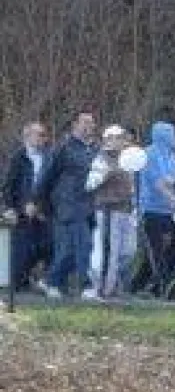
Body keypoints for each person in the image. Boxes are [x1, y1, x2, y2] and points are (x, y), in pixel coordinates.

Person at [37, 111, 99, 298]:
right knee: (84, 245)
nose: (90, 126)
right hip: (68, 204)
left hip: (88, 206)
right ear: (75, 125)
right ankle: (86, 287)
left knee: (69, 251)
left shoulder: (94, 150)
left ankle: (49, 281)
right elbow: (47, 176)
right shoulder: (63, 148)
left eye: (92, 122)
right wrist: (38, 201)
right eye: (85, 122)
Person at [85, 125, 138, 300]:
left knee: (129, 251)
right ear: (107, 140)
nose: (119, 141)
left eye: (121, 137)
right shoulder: (101, 159)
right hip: (108, 211)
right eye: (114, 138)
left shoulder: (129, 159)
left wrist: (135, 211)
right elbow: (89, 184)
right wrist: (106, 174)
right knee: (110, 252)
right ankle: (102, 289)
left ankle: (111, 282)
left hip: (126, 212)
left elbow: (132, 188)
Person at [135, 121, 175, 298]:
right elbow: (157, 183)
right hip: (151, 209)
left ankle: (137, 285)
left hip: (169, 211)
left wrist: (171, 181)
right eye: (172, 134)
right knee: (155, 249)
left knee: (168, 249)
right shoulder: (149, 154)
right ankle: (161, 286)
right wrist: (173, 199)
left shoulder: (173, 156)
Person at [4, 121, 52, 294]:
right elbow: (9, 186)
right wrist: (12, 208)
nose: (43, 139)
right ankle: (18, 284)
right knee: (22, 250)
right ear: (27, 136)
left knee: (47, 245)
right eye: (39, 135)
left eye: (44, 135)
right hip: (21, 211)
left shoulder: (48, 157)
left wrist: (41, 207)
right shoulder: (18, 157)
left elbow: (49, 185)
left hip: (43, 211)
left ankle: (42, 281)